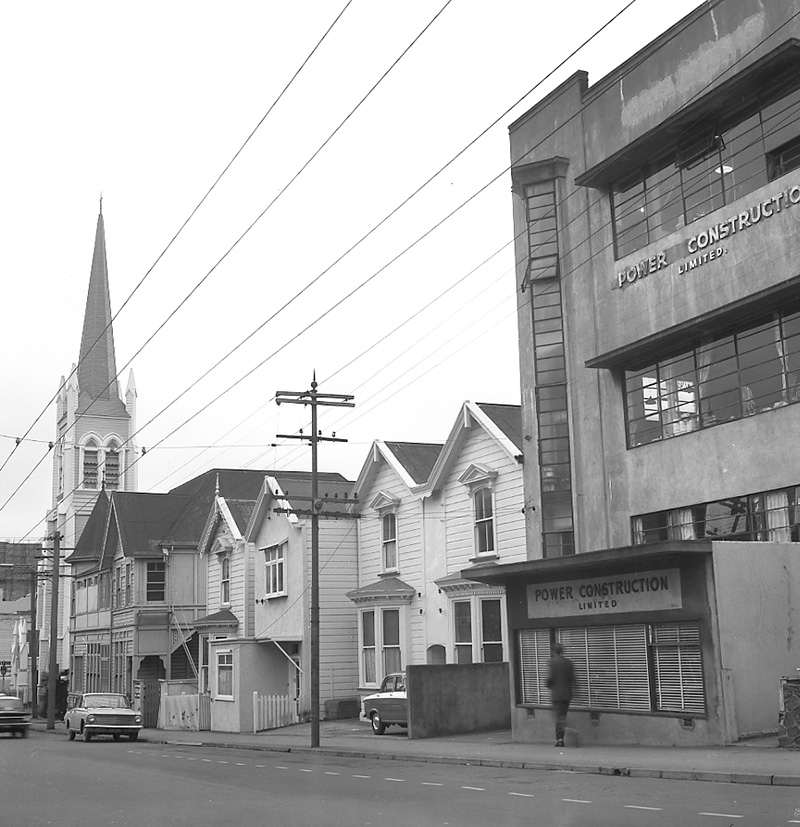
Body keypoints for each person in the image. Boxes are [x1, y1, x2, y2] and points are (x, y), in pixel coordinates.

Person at [546, 643, 575, 747]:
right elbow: (573, 679)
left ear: (553, 651)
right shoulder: (568, 662)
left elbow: (550, 678)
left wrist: (548, 685)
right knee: (562, 716)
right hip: (567, 694)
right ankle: (562, 735)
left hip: (557, 695)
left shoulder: (552, 663)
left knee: (559, 718)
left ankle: (561, 738)